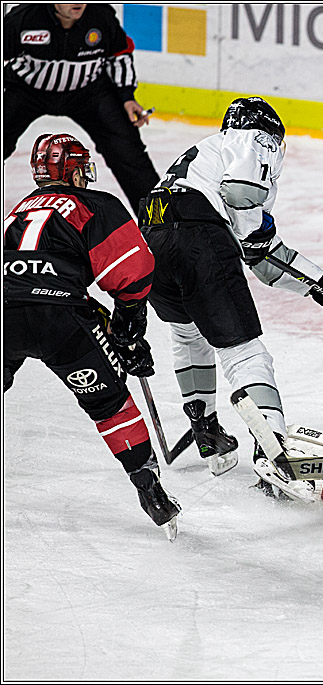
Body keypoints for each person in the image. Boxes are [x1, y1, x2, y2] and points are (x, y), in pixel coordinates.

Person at [138, 96, 323, 499]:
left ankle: (206, 428)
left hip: (152, 238)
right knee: (245, 353)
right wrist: (254, 236)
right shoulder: (253, 138)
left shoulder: (202, 155)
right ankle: (273, 451)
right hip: (199, 238)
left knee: (188, 335)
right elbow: (245, 199)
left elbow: (263, 257)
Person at [3, 133, 179, 538]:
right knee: (110, 404)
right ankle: (149, 488)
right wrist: (129, 328)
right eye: (81, 167)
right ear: (73, 170)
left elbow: (30, 278)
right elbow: (130, 272)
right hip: (59, 321)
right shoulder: (92, 204)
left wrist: (104, 321)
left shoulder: (17, 211)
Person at [3, 4, 161, 220]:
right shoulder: (24, 17)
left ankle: (160, 224)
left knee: (127, 151)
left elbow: (119, 53)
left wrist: (127, 97)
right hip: (26, 90)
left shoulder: (101, 16)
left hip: (88, 92)